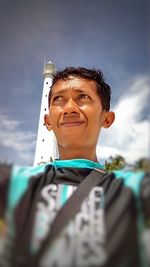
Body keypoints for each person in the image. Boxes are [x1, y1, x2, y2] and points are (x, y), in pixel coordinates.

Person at [0, 67, 149, 267]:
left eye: (83, 97)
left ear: (107, 118)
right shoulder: (17, 181)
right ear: (48, 120)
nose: (69, 107)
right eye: (58, 100)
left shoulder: (133, 187)